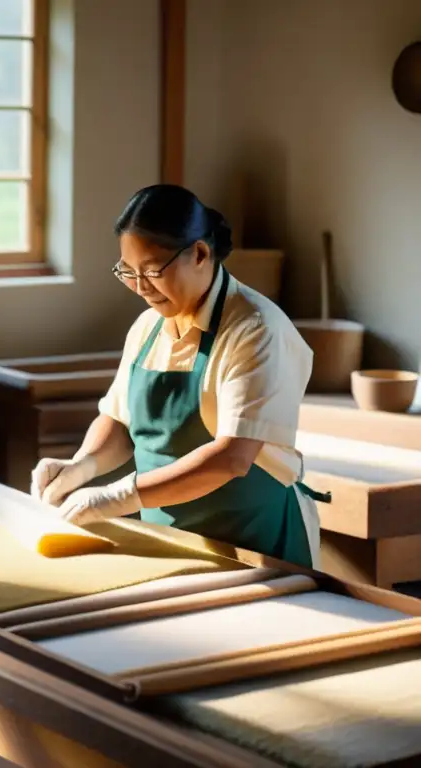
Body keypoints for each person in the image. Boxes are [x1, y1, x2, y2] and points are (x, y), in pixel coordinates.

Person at [31, 184, 325, 569]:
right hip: (171, 540)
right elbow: (119, 420)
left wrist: (120, 496)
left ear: (200, 253)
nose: (140, 287)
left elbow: (232, 457)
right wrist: (81, 465)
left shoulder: (256, 329)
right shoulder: (147, 327)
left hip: (256, 544)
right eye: (128, 272)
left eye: (152, 271)